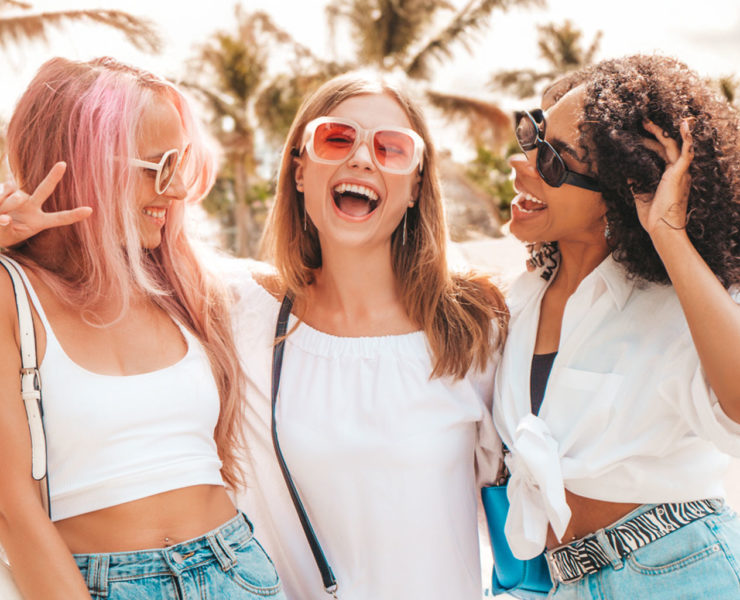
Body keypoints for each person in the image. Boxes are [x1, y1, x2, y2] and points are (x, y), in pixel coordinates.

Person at [0, 57, 285, 600]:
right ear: (81, 163)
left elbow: (337, 287)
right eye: (160, 165)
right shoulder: (10, 295)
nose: (176, 191)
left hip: (237, 571)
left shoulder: (189, 285)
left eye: (181, 164)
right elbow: (12, 510)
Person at [226, 71, 509, 599]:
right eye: (336, 137)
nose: (361, 158)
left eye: (391, 148)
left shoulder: (474, 328)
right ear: (300, 169)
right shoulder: (242, 316)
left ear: (417, 186)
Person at [494, 54, 740, 599]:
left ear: (625, 192)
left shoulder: (682, 300)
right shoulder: (520, 301)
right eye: (535, 135)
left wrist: (668, 233)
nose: (523, 162)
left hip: (680, 571)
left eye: (555, 160)